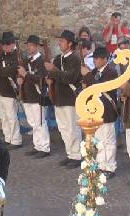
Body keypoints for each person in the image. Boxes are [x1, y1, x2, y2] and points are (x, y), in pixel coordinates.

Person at [45, 30, 82, 168]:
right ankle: (70, 154)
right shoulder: (58, 58)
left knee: (73, 128)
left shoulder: (75, 59)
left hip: (70, 99)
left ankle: (77, 155)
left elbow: (70, 78)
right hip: (59, 97)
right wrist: (49, 79)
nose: (59, 43)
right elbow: (55, 75)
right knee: (64, 128)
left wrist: (54, 70)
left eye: (62, 41)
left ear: (70, 43)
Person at [81, 47, 119, 178]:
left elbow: (101, 87)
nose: (95, 61)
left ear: (105, 59)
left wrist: (87, 75)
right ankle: (101, 164)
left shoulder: (111, 72)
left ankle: (110, 167)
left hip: (107, 110)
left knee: (108, 140)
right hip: (96, 110)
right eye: (94, 58)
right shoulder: (95, 71)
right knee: (99, 140)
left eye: (97, 58)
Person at [17, 35, 50, 158]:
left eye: (31, 45)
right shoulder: (26, 61)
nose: (29, 47)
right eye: (28, 45)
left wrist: (25, 75)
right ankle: (37, 146)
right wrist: (20, 79)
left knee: (40, 122)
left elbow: (41, 80)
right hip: (27, 95)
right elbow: (22, 75)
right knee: (33, 123)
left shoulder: (42, 61)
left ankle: (44, 148)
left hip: (37, 95)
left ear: (37, 47)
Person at [0, 31, 22, 149]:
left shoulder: (17, 55)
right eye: (4, 44)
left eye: (8, 44)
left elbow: (12, 70)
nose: (6, 46)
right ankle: (8, 137)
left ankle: (16, 140)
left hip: (9, 90)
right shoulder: (1, 55)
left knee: (11, 116)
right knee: (3, 116)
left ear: (13, 44)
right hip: (0, 90)